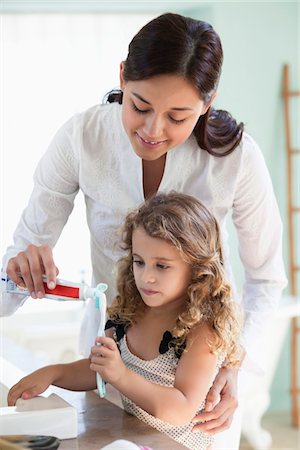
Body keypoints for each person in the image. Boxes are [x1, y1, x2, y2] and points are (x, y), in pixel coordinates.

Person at [1, 12, 286, 449]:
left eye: (178, 116)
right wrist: (19, 273)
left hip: (201, 386)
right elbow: (13, 278)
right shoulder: (82, 138)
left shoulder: (237, 159)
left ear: (207, 102)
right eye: (139, 106)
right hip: (112, 368)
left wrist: (236, 371)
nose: (152, 131)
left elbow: (266, 282)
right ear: (122, 77)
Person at [8, 192, 243, 450]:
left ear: (197, 267)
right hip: (139, 438)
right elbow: (98, 368)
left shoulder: (202, 331)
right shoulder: (129, 311)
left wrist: (121, 376)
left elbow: (181, 408)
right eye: (139, 262)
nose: (146, 277)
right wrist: (53, 373)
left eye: (161, 266)